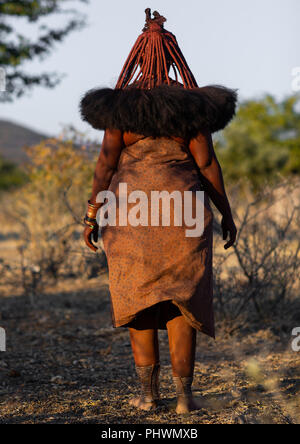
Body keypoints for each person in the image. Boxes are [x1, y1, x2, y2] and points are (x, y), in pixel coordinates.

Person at [80, 9, 237, 414]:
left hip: (129, 216)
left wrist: (93, 212)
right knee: (182, 303)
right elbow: (207, 166)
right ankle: (185, 399)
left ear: (136, 55)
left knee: (139, 300)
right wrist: (226, 213)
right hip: (183, 214)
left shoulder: (120, 111)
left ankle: (148, 397)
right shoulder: (191, 109)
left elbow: (105, 165)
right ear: (172, 56)